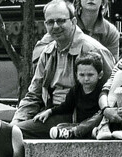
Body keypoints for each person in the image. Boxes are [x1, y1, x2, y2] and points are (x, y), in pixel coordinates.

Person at [12, 0, 114, 140]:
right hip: (49, 112)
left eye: (61, 21)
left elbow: (111, 91)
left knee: (14, 133)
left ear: (73, 21)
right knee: (10, 130)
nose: (55, 26)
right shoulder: (47, 52)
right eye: (50, 22)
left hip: (78, 117)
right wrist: (17, 120)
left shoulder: (93, 49)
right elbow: (33, 95)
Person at [33, 54, 107, 140]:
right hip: (80, 124)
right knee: (61, 126)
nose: (86, 79)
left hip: (97, 123)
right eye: (82, 75)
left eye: (90, 75)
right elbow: (66, 107)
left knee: (101, 114)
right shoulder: (75, 90)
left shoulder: (102, 90)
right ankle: (79, 132)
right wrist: (49, 111)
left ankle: (75, 132)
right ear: (76, 75)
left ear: (100, 75)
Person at [34, 0, 121, 61]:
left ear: (103, 1)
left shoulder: (110, 32)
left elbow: (112, 65)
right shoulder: (66, 21)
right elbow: (39, 52)